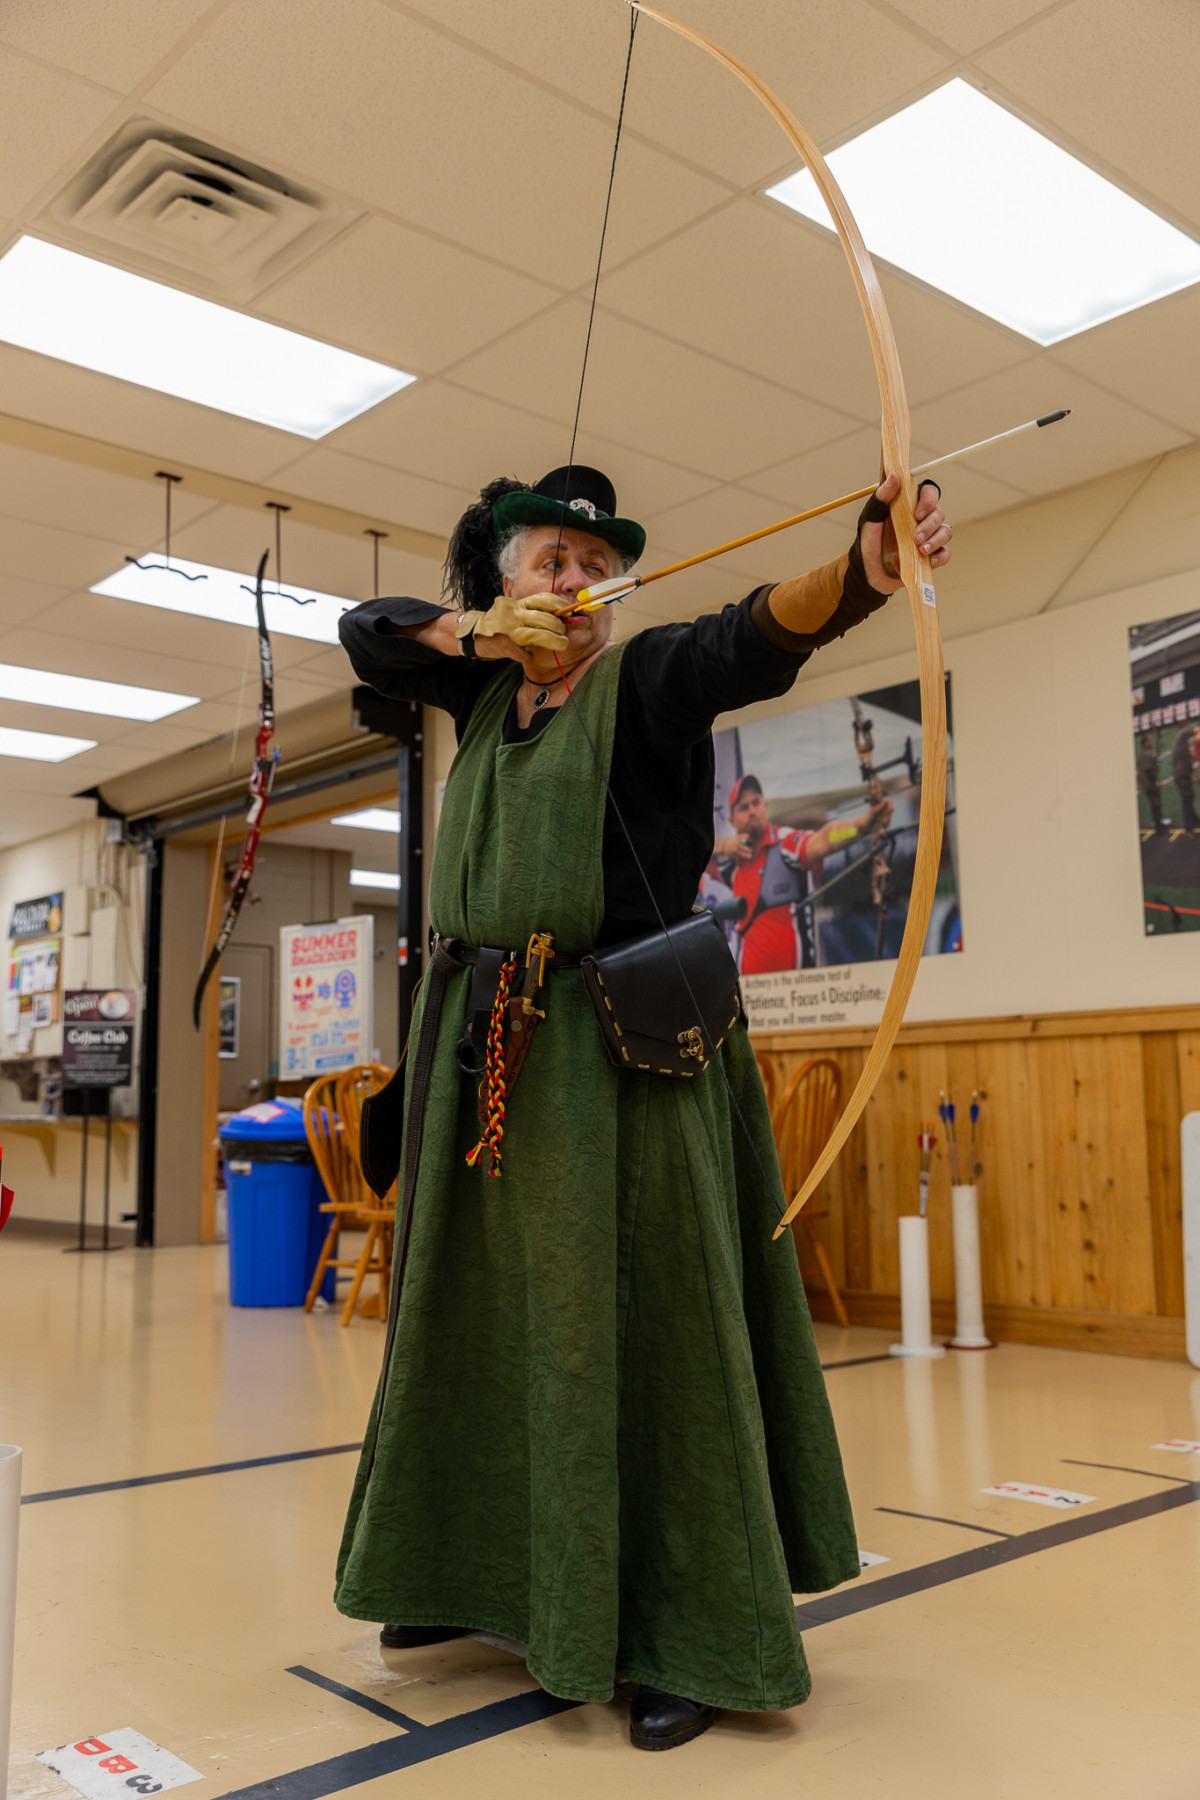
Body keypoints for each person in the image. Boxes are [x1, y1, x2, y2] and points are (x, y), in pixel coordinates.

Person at [334, 461, 952, 1751]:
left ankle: (687, 1628)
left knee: (655, 1329)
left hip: (624, 1055)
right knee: (482, 1326)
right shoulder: (479, 679)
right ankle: (467, 1573)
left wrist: (863, 570)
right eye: (544, 561)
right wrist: (464, 633)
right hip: (483, 1056)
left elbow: (750, 637)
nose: (572, 581)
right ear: (501, 586)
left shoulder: (648, 679)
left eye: (590, 563)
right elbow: (366, 636)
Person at [712, 773, 892, 973]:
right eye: (744, 807)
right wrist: (724, 845)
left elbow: (824, 840)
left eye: (756, 803)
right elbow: (688, 850)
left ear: (765, 806)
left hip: (797, 986)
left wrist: (862, 826)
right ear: (732, 820)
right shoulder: (730, 864)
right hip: (751, 988)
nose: (752, 811)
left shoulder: (785, 843)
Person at [1171, 722, 1199, 831]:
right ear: (1184, 727)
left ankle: (1195, 820)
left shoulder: (1180, 743)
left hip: (1183, 775)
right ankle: (1188, 829)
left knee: (1189, 798)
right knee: (1187, 801)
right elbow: (1195, 731)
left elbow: (1192, 755)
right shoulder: (1181, 735)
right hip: (1182, 777)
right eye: (1187, 726)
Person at [1138, 731, 1166, 834]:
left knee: (1155, 805)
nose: (1151, 743)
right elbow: (1148, 770)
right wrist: (1156, 780)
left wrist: (1153, 758)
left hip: (1147, 785)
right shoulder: (1145, 755)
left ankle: (1159, 824)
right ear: (1146, 742)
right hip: (1150, 785)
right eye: (1149, 741)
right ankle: (1159, 828)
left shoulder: (1143, 754)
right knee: (1155, 804)